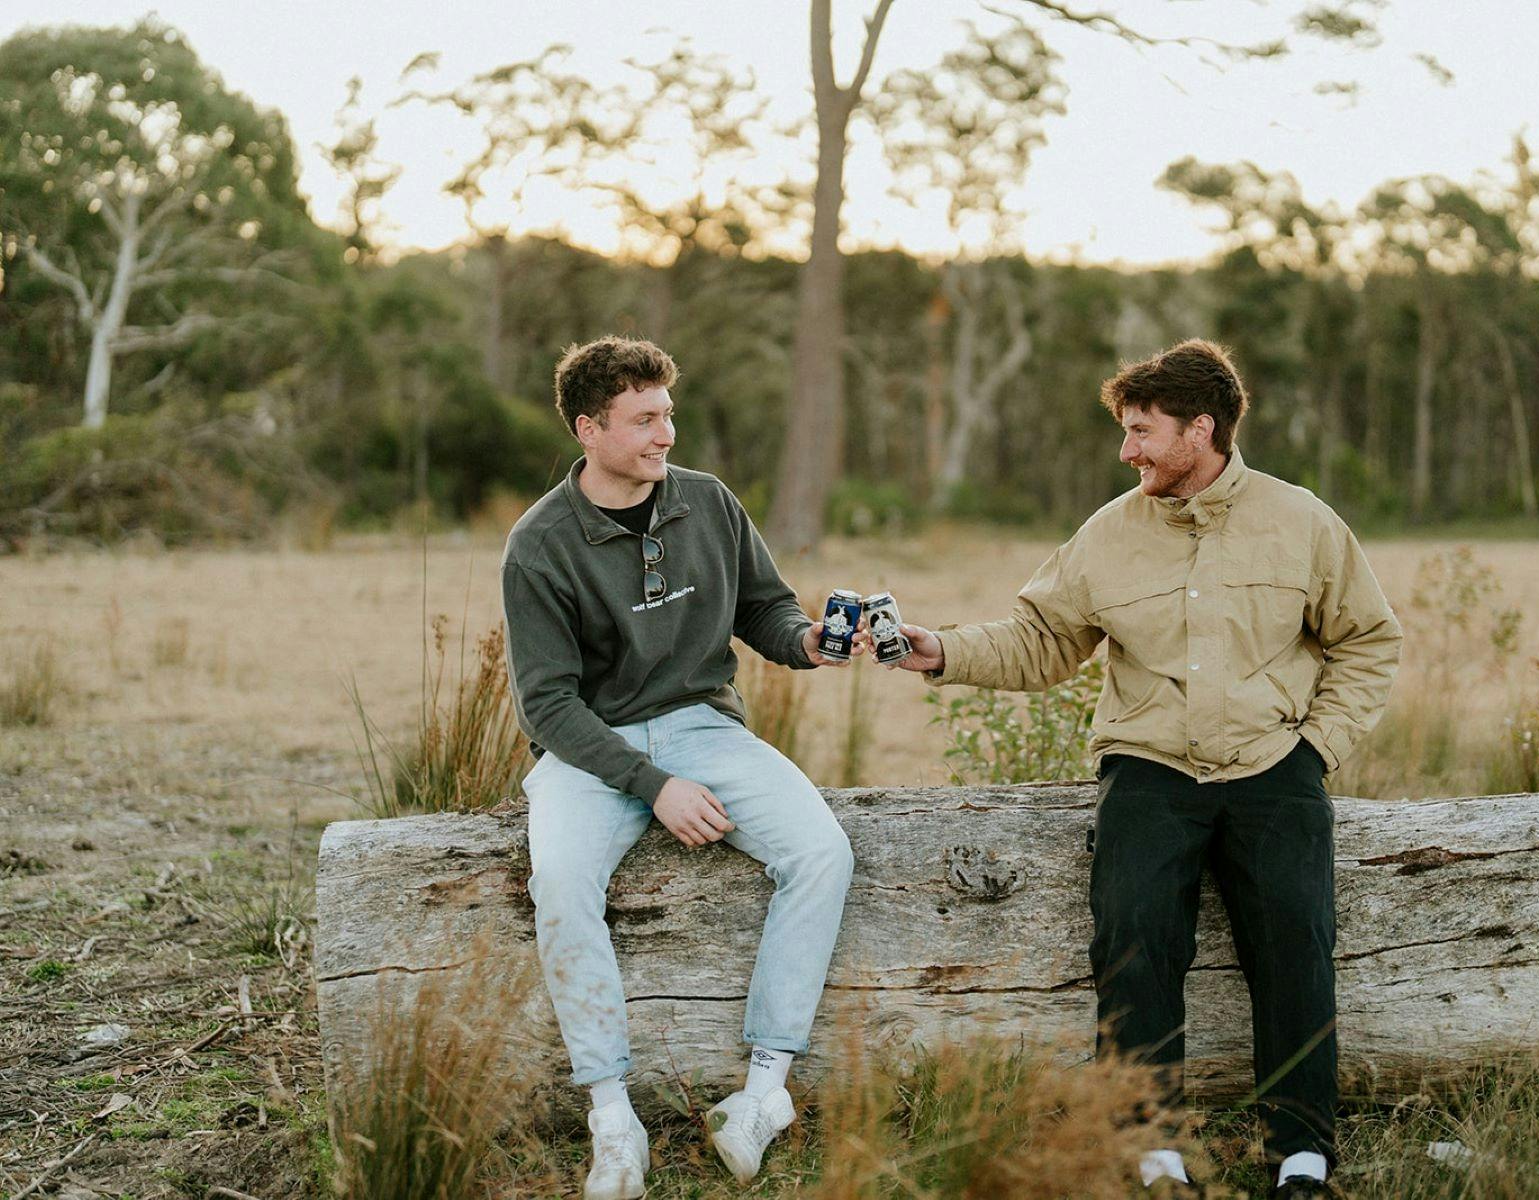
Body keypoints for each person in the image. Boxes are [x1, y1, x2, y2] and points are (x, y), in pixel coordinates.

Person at [877, 338, 1401, 1198]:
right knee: (1133, 948)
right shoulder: (1108, 533)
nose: (1127, 452)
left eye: (1141, 432)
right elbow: (1041, 640)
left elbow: (1367, 640)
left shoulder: (1301, 521)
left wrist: (1317, 750)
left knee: (1297, 948)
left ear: (1202, 429)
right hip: (1148, 767)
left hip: (1274, 768)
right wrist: (939, 651)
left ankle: (1301, 1156)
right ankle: (1150, 1151)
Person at [501, 336, 858, 1200]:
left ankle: (764, 1090)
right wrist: (652, 786)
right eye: (644, 420)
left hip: (706, 728)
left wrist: (809, 643)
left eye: (668, 414)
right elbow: (547, 707)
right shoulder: (539, 544)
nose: (666, 434)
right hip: (591, 750)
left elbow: (765, 610)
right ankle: (611, 1115)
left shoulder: (707, 501)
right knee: (560, 881)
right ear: (589, 429)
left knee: (822, 854)